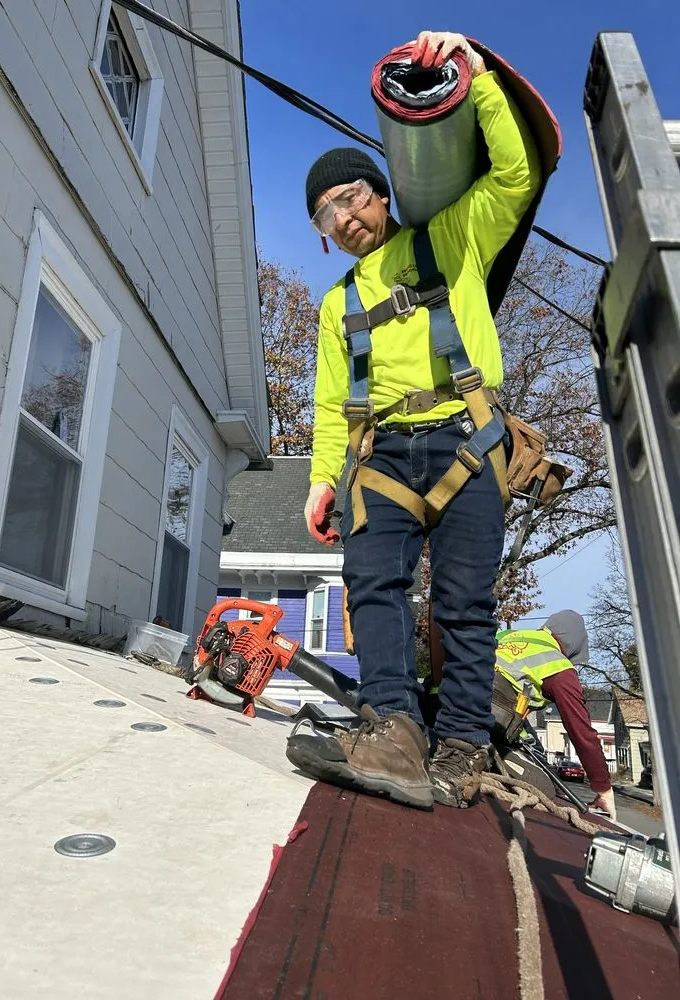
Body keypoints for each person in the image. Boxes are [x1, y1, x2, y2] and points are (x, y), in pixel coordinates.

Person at [285, 30, 542, 810]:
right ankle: (393, 731)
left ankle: (464, 747)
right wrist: (322, 480)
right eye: (329, 211)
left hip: (469, 440)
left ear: (382, 191)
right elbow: (333, 403)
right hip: (384, 453)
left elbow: (517, 172)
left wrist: (476, 70)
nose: (347, 213)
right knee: (372, 586)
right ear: (322, 235)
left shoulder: (454, 234)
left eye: (355, 194)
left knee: (465, 601)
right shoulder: (338, 305)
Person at [494, 610, 617, 822]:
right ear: (574, 646)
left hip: (448, 698)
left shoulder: (508, 636)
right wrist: (604, 789)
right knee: (547, 788)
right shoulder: (559, 667)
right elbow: (581, 732)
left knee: (535, 745)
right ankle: (499, 755)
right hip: (487, 717)